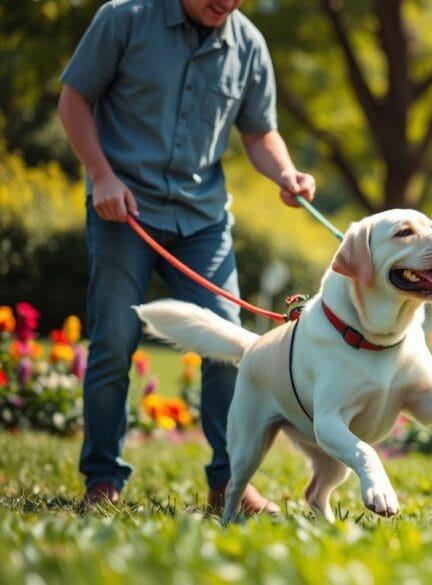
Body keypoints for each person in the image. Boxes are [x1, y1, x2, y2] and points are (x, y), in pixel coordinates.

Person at [57, 0, 316, 513]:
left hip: (203, 223)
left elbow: (260, 133)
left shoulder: (249, 45)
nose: (227, 3)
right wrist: (101, 175)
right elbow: (74, 99)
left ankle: (228, 483)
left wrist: (285, 173)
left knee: (230, 347)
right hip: (122, 212)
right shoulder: (123, 19)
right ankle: (102, 480)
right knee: (113, 343)